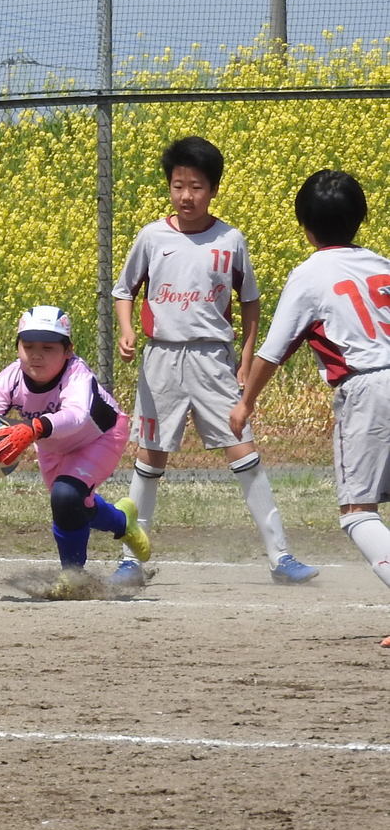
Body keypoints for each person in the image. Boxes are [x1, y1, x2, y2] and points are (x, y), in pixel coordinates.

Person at [113, 136, 315, 584]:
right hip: (161, 359)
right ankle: (131, 560)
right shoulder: (152, 236)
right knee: (150, 458)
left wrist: (245, 356)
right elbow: (124, 290)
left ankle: (281, 556)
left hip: (213, 360)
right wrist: (127, 332)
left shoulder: (231, 239)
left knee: (243, 451)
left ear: (214, 189)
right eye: (178, 185)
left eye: (197, 186)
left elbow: (250, 301)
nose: (187, 196)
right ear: (169, 187)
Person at [230, 170, 390, 647]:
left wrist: (244, 404)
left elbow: (272, 352)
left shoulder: (309, 274)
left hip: (368, 389)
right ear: (360, 218)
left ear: (305, 225)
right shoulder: (382, 264)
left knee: (357, 512)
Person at [0, 305, 149, 594]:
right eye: (28, 345)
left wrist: (35, 428)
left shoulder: (77, 374)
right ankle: (123, 521)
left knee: (67, 495)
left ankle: (73, 577)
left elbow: (76, 416)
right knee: (72, 504)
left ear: (68, 350)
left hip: (100, 438)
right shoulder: (9, 379)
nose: (36, 354)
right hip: (52, 444)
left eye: (48, 347)